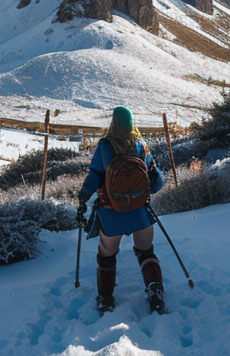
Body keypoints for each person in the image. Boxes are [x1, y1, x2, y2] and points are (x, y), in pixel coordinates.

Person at [78, 106, 166, 315]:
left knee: (106, 256)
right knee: (146, 252)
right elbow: (155, 182)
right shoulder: (141, 146)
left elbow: (94, 177)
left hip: (112, 213)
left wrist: (82, 197)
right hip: (140, 212)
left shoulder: (105, 146)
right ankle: (156, 297)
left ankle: (106, 301)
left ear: (113, 123)